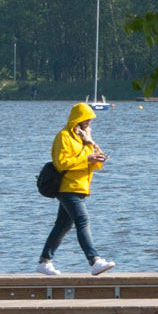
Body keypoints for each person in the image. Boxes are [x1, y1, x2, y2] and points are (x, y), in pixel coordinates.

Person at [39, 100, 114, 275]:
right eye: (86, 118)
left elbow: (89, 162)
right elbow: (61, 163)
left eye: (90, 119)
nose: (89, 121)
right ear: (77, 119)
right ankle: (94, 261)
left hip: (80, 186)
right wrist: (87, 158)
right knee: (82, 220)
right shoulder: (63, 136)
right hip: (67, 187)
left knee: (63, 225)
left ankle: (44, 262)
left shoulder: (84, 138)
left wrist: (95, 155)